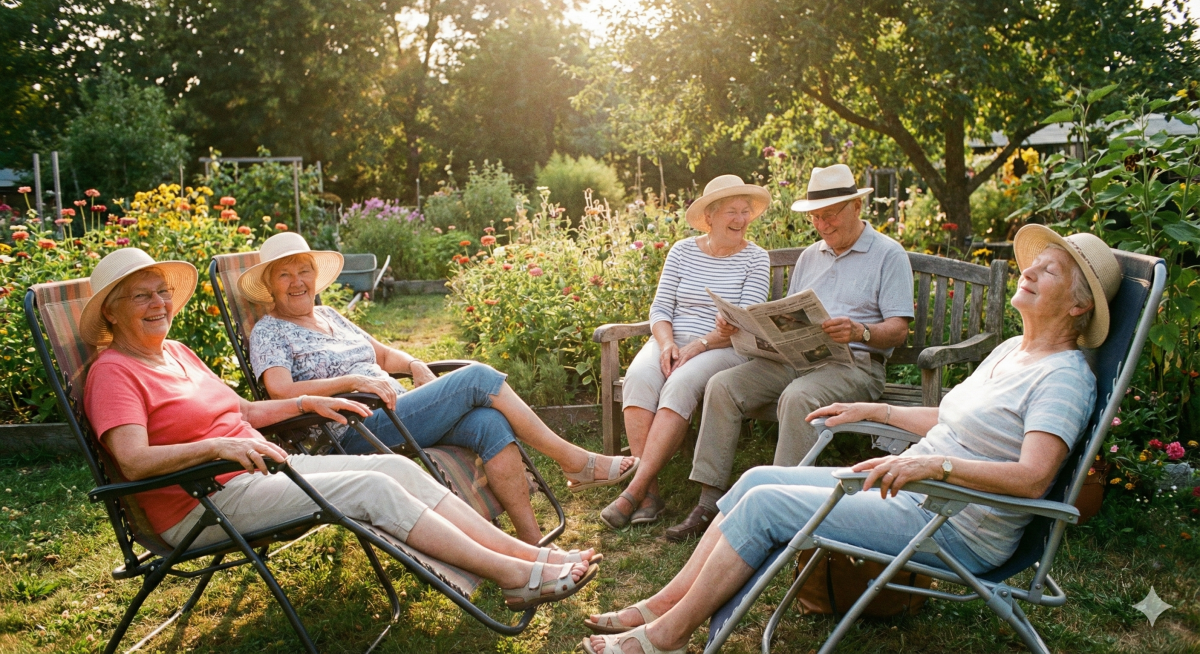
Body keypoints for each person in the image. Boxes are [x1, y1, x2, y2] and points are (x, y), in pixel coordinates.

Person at [580, 225, 1118, 653]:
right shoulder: (1010, 352)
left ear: (1077, 307)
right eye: (1036, 261)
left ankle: (669, 636)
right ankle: (661, 606)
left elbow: (1034, 477)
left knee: (765, 505)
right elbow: (955, 424)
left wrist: (936, 469)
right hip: (916, 497)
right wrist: (876, 408)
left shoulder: (1064, 377)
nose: (1031, 270)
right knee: (754, 479)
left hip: (955, 522)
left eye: (1049, 270)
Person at [81, 248, 601, 611]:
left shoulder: (176, 353)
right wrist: (220, 445)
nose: (158, 304)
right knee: (370, 485)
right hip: (204, 500)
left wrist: (308, 399)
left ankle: (529, 556)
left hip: (259, 471)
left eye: (161, 293)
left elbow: (241, 408)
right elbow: (133, 460)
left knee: (393, 465)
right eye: (141, 298)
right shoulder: (112, 372)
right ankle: (513, 577)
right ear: (111, 312)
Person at [239, 233, 637, 544]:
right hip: (351, 430)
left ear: (315, 275)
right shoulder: (269, 330)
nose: (297, 282)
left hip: (393, 411)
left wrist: (413, 364)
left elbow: (381, 354)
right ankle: (575, 462)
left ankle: (533, 545)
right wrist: (352, 381)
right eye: (284, 274)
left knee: (488, 422)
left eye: (303, 270)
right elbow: (280, 389)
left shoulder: (328, 315)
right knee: (478, 377)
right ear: (270, 287)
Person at [665, 164, 915, 542]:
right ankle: (708, 501)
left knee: (799, 397)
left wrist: (859, 330)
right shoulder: (811, 256)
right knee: (722, 386)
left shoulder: (888, 255)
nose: (822, 225)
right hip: (797, 360)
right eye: (816, 217)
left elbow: (898, 329)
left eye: (829, 215)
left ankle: (778, 510)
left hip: (855, 366)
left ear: (856, 208)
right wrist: (754, 331)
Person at [599, 175, 771, 530]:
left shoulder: (756, 258)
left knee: (680, 383)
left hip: (724, 345)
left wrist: (707, 341)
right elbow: (660, 309)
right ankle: (651, 495)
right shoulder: (682, 251)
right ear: (709, 217)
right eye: (731, 212)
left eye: (745, 212)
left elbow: (748, 321)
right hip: (672, 340)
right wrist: (667, 344)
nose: (740, 220)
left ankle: (634, 491)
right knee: (640, 379)